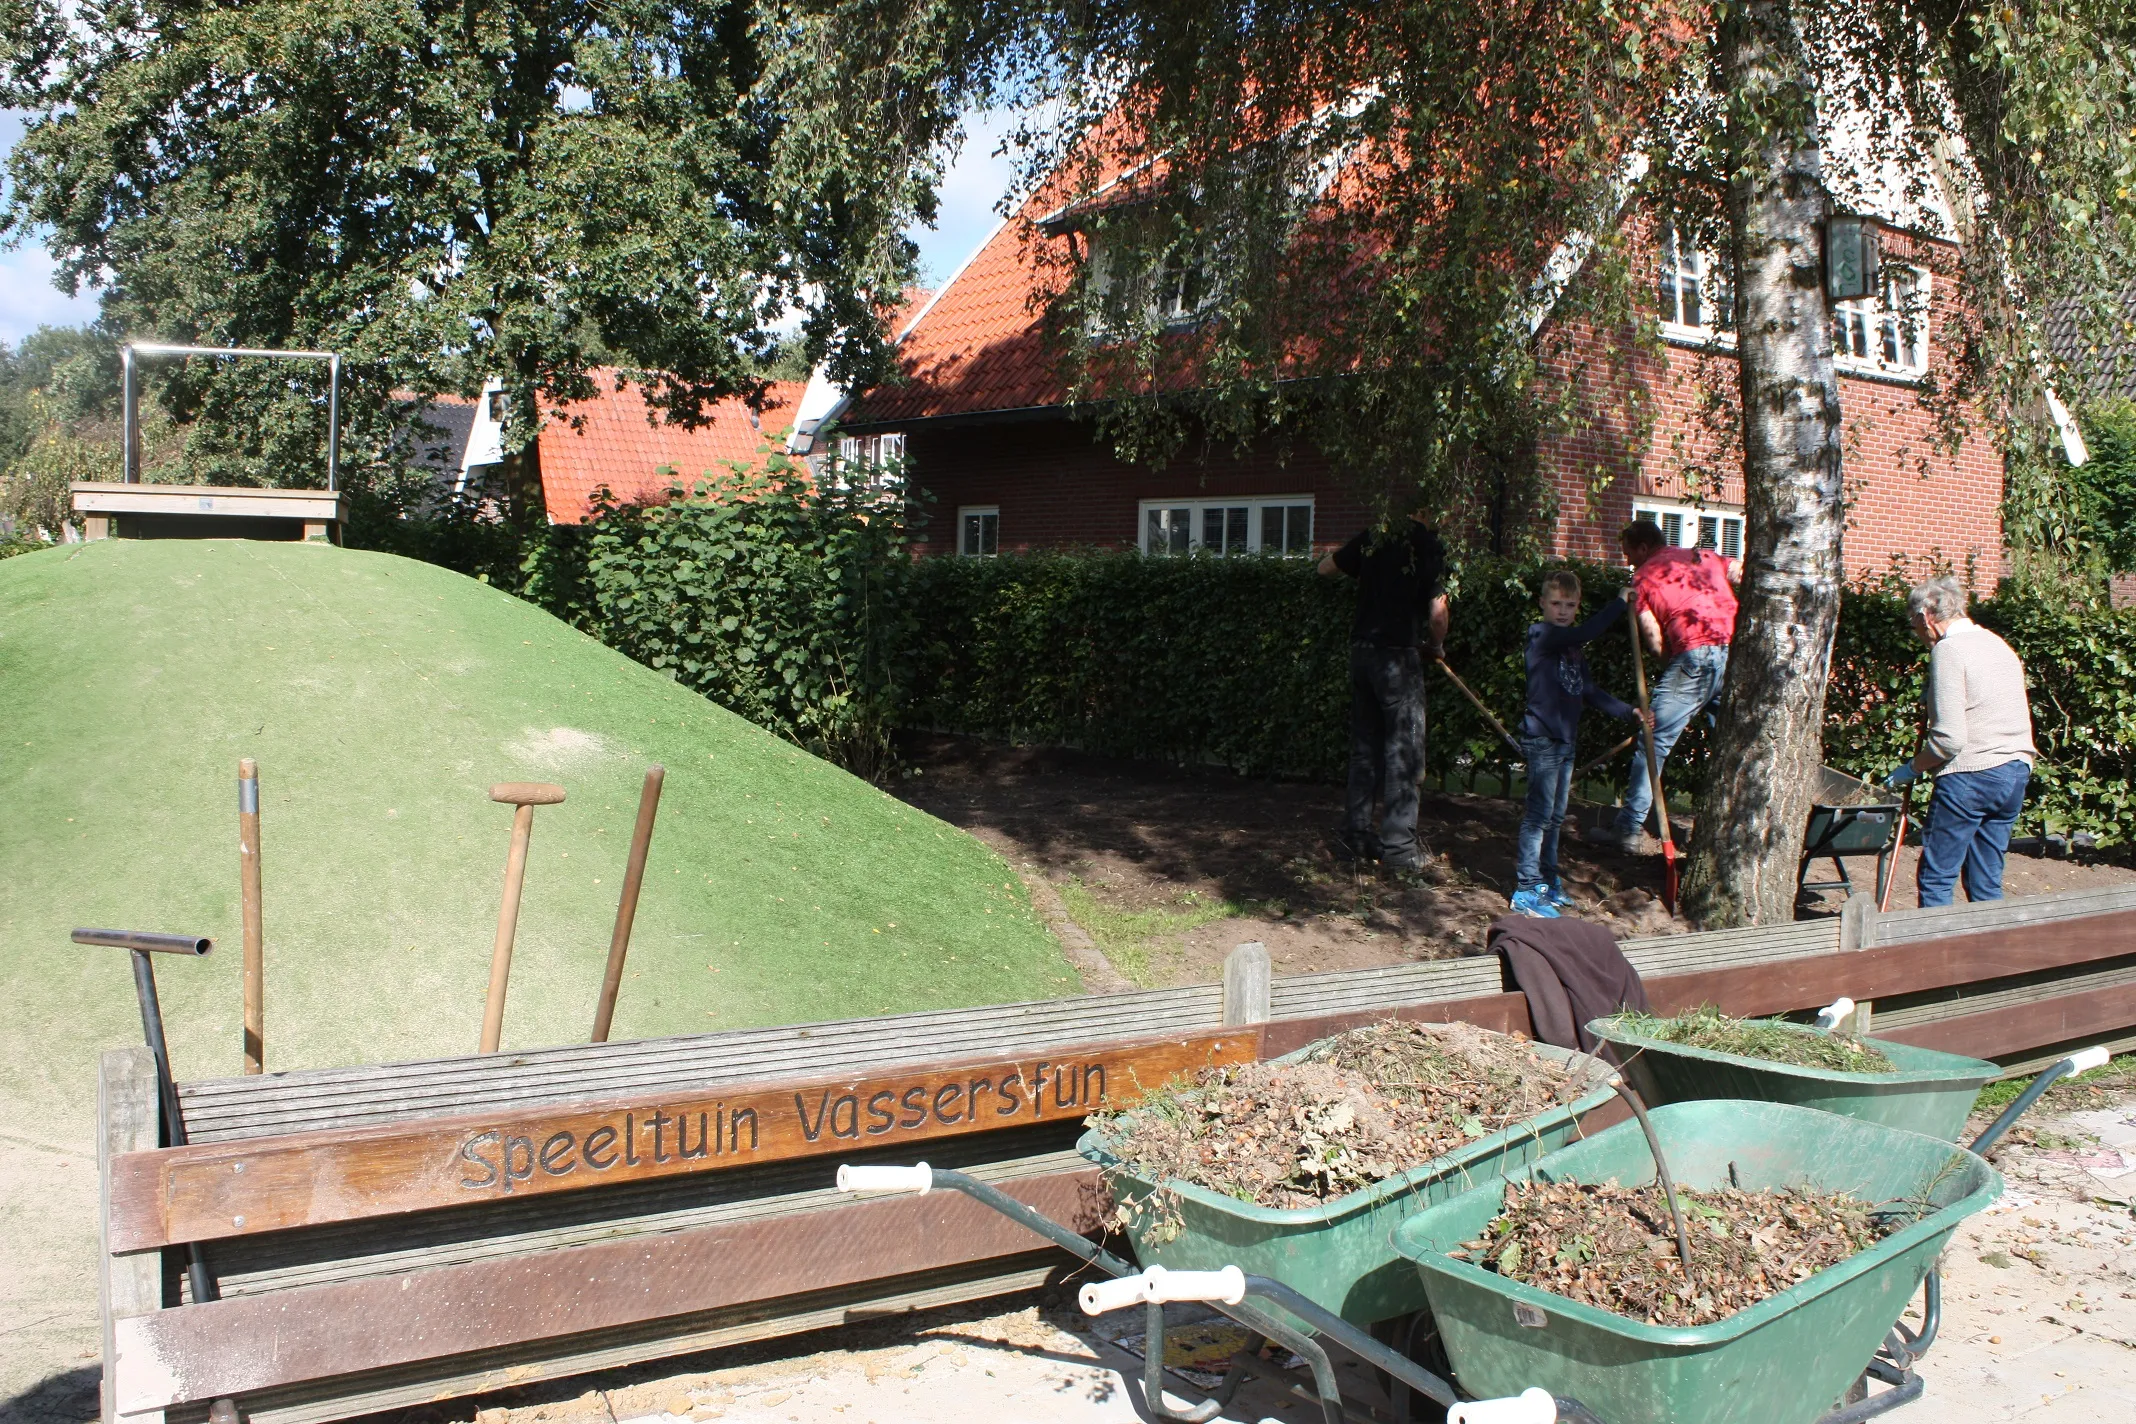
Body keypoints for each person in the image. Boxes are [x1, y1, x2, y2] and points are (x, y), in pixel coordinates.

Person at [1885, 576, 2036, 906]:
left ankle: (1936, 954)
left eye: (1914, 625)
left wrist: (1911, 769)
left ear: (1926, 616)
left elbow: (1949, 740)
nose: (1918, 634)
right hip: (2015, 773)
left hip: (1971, 776)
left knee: (1937, 877)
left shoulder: (1949, 650)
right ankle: (1989, 953)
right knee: (1986, 882)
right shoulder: (1998, 644)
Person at [1512, 571, 1652, 917]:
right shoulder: (1542, 634)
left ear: (1576, 607)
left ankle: (1546, 880)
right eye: (1556, 603)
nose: (1562, 610)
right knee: (1538, 815)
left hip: (1565, 741)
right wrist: (1619, 602)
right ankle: (1526, 888)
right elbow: (1589, 630)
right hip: (1543, 738)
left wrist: (1629, 712)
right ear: (1543, 604)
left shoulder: (1572, 647)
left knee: (1556, 816)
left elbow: (1588, 690)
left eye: (1569, 605)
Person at [1318, 511, 1449, 871]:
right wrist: (1436, 647)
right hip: (1397, 659)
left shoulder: (1375, 536)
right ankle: (1400, 849)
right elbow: (1438, 613)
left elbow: (1325, 569)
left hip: (1361, 655)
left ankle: (1354, 836)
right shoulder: (1428, 545)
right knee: (1403, 753)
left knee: (1365, 751)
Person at [1604, 519, 1739, 852]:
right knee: (1735, 746)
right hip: (1736, 655)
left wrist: (1679, 667)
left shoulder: (1644, 577)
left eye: (1629, 554)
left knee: (1653, 740)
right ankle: (1730, 835)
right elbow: (1741, 571)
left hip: (1694, 657)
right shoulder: (1704, 557)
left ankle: (1628, 831)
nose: (1628, 562)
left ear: (1644, 548)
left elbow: (1652, 639)